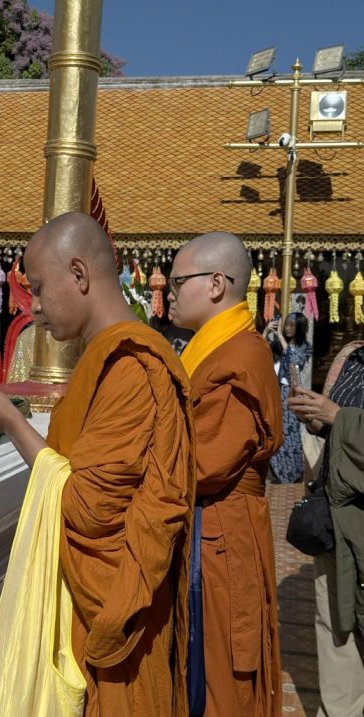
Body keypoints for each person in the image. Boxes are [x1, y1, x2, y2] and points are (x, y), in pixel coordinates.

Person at [0, 212, 196, 716]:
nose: (33, 306)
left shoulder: (131, 368)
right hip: (80, 612)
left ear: (78, 273)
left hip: (116, 626)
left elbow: (86, 509)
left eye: (37, 288)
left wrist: (11, 423)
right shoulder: (101, 359)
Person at [168, 231, 283, 717]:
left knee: (219, 682)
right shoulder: (209, 351)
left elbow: (203, 463)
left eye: (178, 282)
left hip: (219, 538)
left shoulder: (240, 357)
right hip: (202, 529)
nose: (168, 292)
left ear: (216, 284)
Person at [288, 340, 364, 717]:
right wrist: (315, 417)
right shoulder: (355, 357)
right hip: (337, 524)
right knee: (336, 631)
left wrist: (337, 415)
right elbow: (333, 430)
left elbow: (342, 418)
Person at [264, 312, 312, 483]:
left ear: (300, 327)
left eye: (292, 325)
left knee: (290, 433)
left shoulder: (303, 347)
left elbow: (294, 361)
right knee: (275, 431)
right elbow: (261, 349)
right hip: (276, 391)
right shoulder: (279, 345)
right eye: (287, 324)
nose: (288, 328)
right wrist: (266, 331)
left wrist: (280, 337)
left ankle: (293, 473)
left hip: (291, 393)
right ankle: (279, 472)